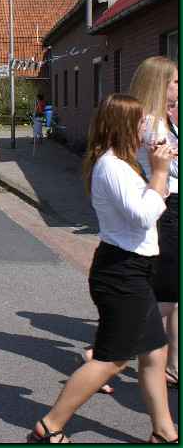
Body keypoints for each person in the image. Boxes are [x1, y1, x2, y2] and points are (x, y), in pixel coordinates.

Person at [27, 93, 177, 444]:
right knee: (112, 361)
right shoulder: (112, 166)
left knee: (156, 352)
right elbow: (143, 216)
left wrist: (158, 171)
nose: (146, 127)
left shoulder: (126, 163)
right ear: (124, 125)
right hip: (121, 273)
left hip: (134, 269)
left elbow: (148, 201)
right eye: (140, 122)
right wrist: (158, 173)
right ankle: (49, 426)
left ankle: (163, 430)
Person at [130, 56, 179, 391]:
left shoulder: (161, 120)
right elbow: (171, 167)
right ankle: (106, 351)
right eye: (175, 81)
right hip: (168, 207)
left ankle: (173, 367)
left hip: (169, 204)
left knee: (174, 294)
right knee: (167, 294)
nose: (179, 87)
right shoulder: (153, 124)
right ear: (161, 85)